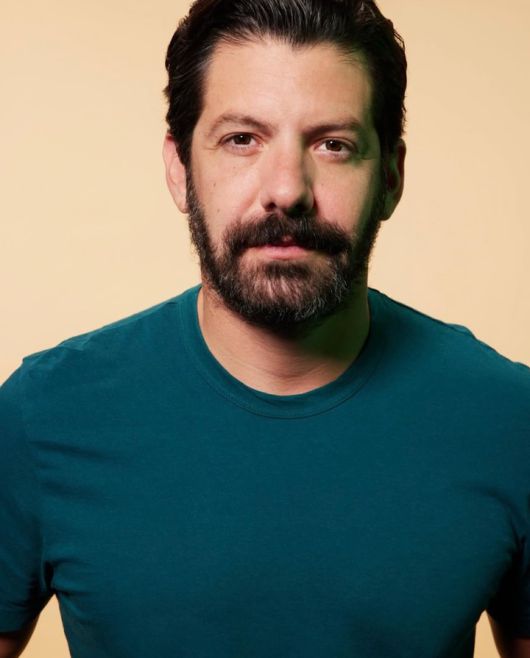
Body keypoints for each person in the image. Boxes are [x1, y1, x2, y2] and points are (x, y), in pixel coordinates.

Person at [1, 0, 529, 656]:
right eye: (242, 139)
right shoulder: (42, 417)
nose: (286, 189)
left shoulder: (509, 422)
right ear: (179, 169)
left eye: (333, 144)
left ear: (391, 176)